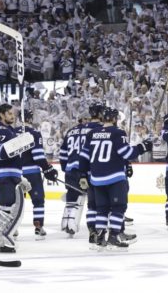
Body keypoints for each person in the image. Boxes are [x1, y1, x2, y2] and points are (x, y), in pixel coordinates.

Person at [78, 107, 152, 250]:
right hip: (114, 177)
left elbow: (84, 156)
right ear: (113, 119)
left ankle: (99, 236)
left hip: (96, 179)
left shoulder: (92, 133)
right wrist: (143, 146)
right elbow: (127, 153)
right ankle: (114, 235)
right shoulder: (118, 133)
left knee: (101, 209)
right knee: (118, 208)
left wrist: (82, 174)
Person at [0, 103, 32, 253]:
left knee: (10, 206)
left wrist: (19, 177)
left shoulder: (10, 131)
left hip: (9, 174)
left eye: (14, 114)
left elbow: (13, 158)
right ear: (2, 114)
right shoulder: (0, 129)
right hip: (2, 174)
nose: (13, 116)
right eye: (10, 114)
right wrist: (18, 143)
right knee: (8, 205)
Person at [59, 101, 104, 240]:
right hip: (86, 170)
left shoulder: (70, 131)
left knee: (72, 198)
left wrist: (65, 168)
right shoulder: (94, 130)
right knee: (94, 200)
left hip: (70, 170)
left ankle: (68, 224)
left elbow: (62, 154)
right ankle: (96, 227)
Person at [15, 109, 59, 240]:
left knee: (16, 202)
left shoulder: (11, 132)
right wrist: (47, 168)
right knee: (38, 201)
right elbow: (38, 156)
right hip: (32, 173)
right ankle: (39, 227)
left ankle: (13, 227)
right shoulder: (34, 133)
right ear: (30, 119)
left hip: (16, 173)